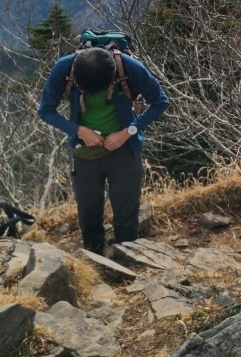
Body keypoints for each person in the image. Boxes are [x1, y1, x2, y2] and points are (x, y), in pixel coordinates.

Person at [38, 47, 169, 254]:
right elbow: (45, 110)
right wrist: (79, 130)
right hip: (85, 151)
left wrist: (128, 132)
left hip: (124, 149)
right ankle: (94, 263)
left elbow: (160, 101)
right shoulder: (64, 69)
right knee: (89, 215)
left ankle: (129, 261)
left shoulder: (128, 67)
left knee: (126, 216)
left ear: (112, 77)